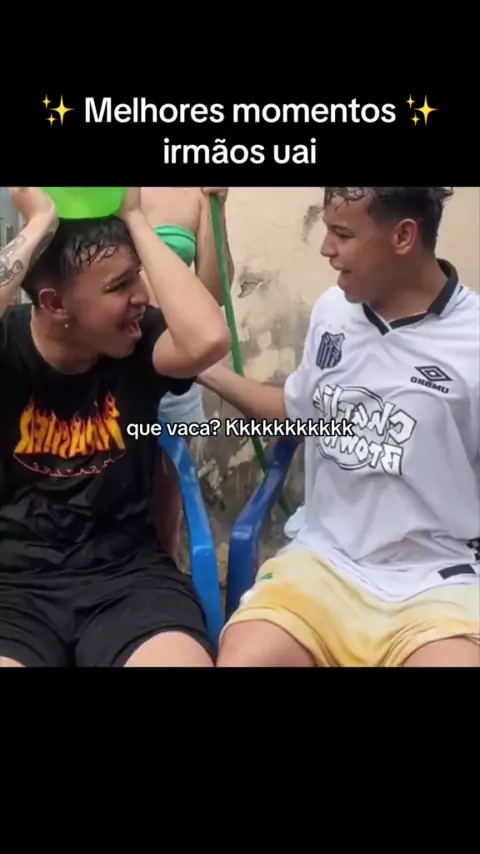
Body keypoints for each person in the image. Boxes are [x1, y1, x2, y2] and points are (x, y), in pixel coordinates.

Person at [198, 186, 480, 668]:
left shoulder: (471, 339)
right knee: (245, 658)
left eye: (342, 234)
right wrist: (204, 370)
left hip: (436, 579)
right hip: (324, 562)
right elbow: (299, 411)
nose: (326, 248)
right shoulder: (333, 311)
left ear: (403, 236)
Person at [0, 187, 230, 667]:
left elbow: (209, 337)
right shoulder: (8, 344)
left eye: (137, 276)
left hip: (129, 581)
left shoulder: (139, 344)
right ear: (55, 303)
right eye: (119, 285)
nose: (142, 297)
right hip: (14, 588)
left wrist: (135, 219)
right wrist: (39, 222)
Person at [141, 187, 234, 561]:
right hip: (103, 363)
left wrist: (218, 207)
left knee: (167, 511)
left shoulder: (194, 193)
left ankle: (163, 579)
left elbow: (213, 293)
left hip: (173, 365)